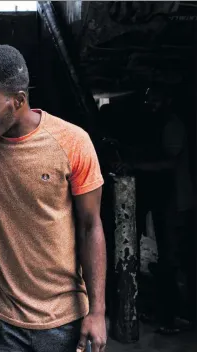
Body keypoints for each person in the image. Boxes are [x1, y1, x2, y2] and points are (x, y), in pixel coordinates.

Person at [0, 45, 107, 352]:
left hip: (64, 317)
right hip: (3, 317)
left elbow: (91, 226)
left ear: (18, 101)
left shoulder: (72, 141)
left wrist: (98, 312)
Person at [114, 87, 195, 334]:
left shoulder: (172, 125)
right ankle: (162, 311)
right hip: (165, 196)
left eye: (156, 99)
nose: (151, 104)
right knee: (153, 255)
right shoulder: (157, 124)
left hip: (176, 199)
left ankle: (173, 315)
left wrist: (136, 165)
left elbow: (168, 163)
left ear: (168, 100)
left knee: (171, 257)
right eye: (149, 99)